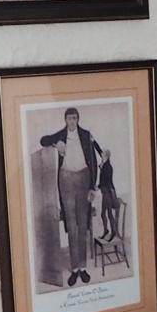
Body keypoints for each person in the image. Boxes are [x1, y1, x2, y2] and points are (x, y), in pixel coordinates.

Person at [39, 107, 101, 287]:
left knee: (83, 225)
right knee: (72, 226)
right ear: (65, 120)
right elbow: (43, 140)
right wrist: (55, 144)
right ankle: (74, 269)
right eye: (69, 118)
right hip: (65, 180)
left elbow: (94, 161)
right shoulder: (60, 135)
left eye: (74, 118)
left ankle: (83, 267)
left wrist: (92, 187)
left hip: (84, 178)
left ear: (78, 119)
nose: (71, 121)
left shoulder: (86, 135)